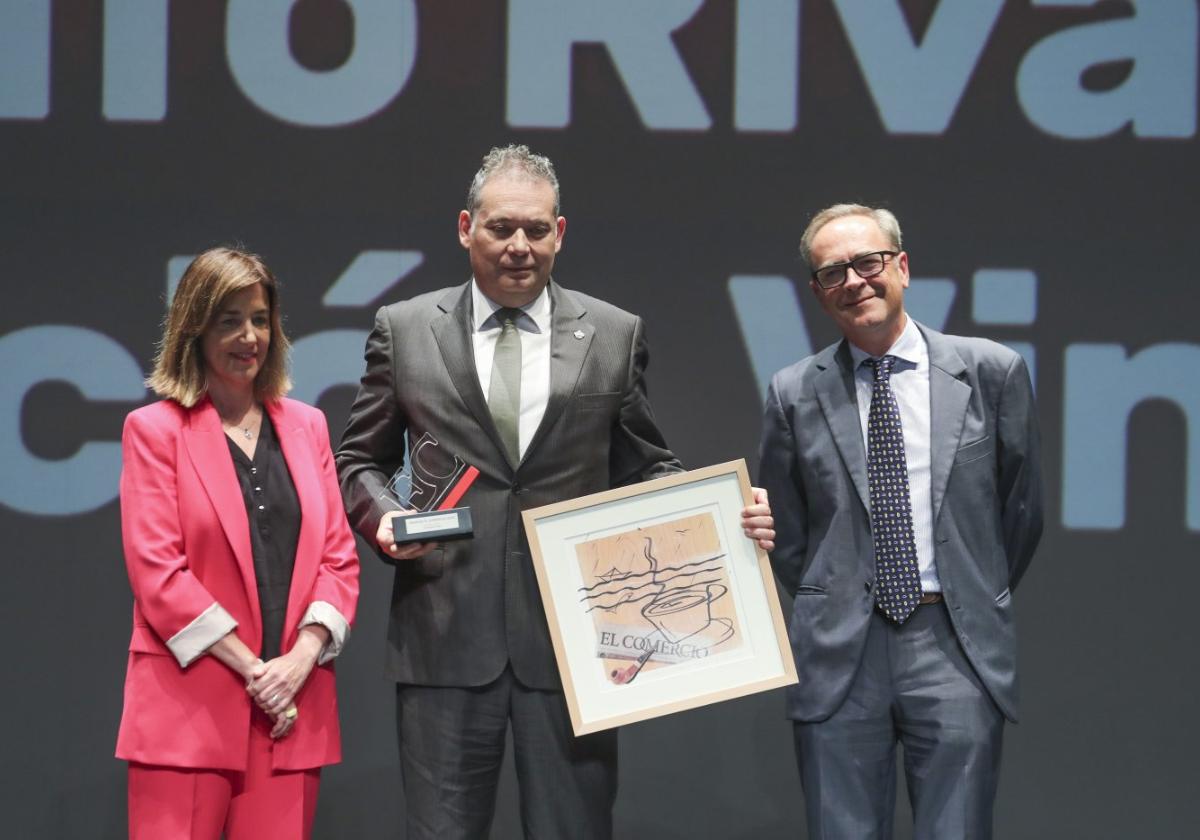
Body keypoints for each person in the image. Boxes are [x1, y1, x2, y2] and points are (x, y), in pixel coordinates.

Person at [336, 144, 774, 839]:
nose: (519, 246)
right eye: (501, 227)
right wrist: (384, 518)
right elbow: (358, 460)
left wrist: (717, 518)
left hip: (575, 650)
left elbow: (646, 468)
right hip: (444, 633)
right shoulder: (406, 330)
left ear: (559, 233)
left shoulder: (612, 333)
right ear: (465, 228)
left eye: (536, 230)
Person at [758, 204, 1043, 838]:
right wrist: (831, 599)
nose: (854, 280)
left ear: (902, 267)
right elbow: (789, 532)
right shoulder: (792, 392)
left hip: (955, 643)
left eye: (868, 262)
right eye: (834, 272)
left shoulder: (991, 372)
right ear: (818, 292)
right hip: (839, 654)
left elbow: (1019, 514)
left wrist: (972, 589)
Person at [116, 247, 360, 839]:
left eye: (259, 318)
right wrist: (259, 673)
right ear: (193, 330)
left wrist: (299, 661)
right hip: (188, 712)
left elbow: (338, 558)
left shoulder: (308, 426)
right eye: (228, 320)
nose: (248, 336)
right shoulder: (154, 431)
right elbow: (159, 575)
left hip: (289, 714)